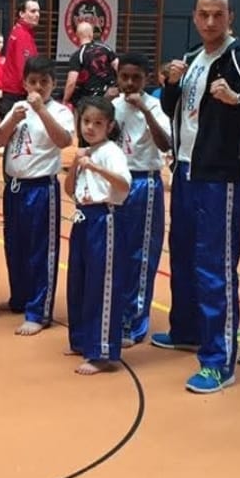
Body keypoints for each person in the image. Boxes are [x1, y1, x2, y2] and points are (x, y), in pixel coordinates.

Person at [154, 0, 240, 394]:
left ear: (230, 18)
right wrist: (171, 85)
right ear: (194, 16)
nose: (209, 22)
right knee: (184, 256)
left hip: (219, 177)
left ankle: (218, 361)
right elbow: (176, 110)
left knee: (214, 267)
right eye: (203, 14)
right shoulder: (191, 58)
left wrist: (236, 99)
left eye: (217, 15)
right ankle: (188, 330)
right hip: (185, 168)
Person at [0, 55, 75, 336]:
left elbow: (64, 141)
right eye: (33, 81)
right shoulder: (17, 108)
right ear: (24, 83)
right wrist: (12, 121)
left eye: (44, 82)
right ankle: (20, 298)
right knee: (15, 246)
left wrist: (41, 110)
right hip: (15, 187)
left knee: (41, 249)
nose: (38, 87)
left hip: (41, 189)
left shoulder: (60, 111)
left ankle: (39, 311)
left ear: (54, 83)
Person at [64, 96, 131, 375]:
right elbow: (70, 189)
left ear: (109, 126)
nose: (90, 127)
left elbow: (124, 185)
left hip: (105, 219)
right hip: (82, 218)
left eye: (98, 123)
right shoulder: (86, 151)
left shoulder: (111, 152)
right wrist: (76, 165)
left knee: (101, 285)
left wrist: (95, 167)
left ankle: (102, 351)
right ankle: (82, 340)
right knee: (79, 282)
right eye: (86, 121)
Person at [112, 53, 171, 346]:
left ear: (146, 79)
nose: (130, 83)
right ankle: (113, 315)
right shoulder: (112, 106)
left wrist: (145, 111)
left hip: (143, 183)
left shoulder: (156, 106)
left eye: (136, 77)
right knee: (115, 252)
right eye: (125, 77)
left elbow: (165, 143)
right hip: (114, 182)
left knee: (141, 255)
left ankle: (134, 323)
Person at [0, 1, 40, 119]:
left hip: (15, 92)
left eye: (38, 11)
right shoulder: (21, 35)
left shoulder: (22, 32)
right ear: (21, 14)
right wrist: (32, 90)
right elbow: (23, 67)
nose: (37, 15)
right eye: (33, 11)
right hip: (17, 94)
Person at [62, 21, 118, 106]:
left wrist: (65, 100)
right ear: (91, 34)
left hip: (90, 99)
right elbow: (118, 68)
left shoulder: (78, 55)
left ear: (77, 35)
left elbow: (71, 82)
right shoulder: (107, 49)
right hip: (110, 95)